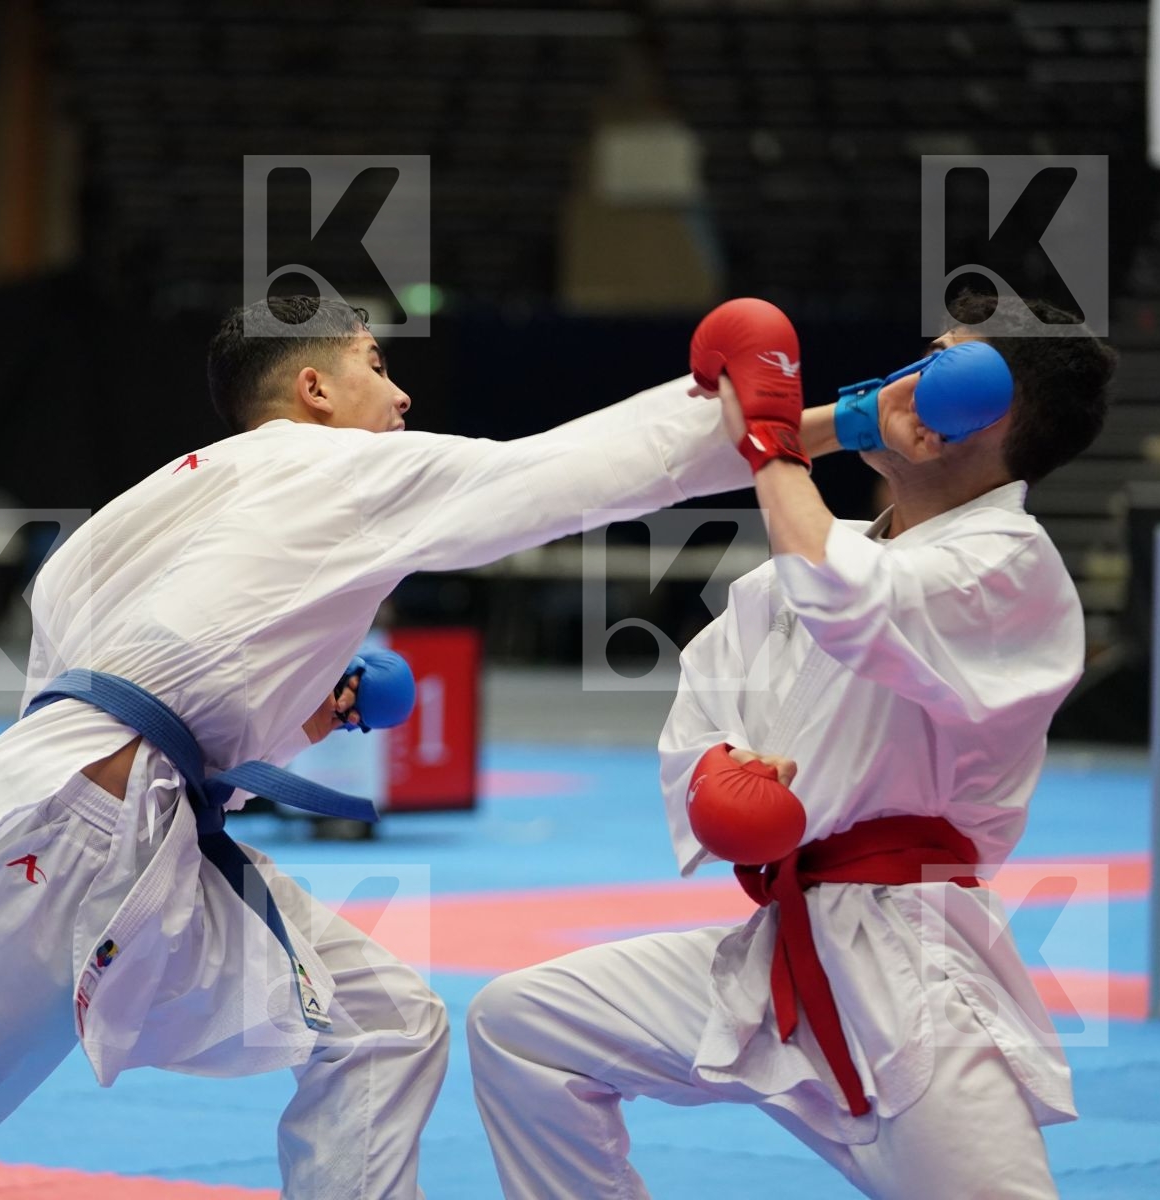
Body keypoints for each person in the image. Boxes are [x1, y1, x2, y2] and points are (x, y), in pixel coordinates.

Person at [0, 295, 755, 1200]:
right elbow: (567, 475)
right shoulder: (345, 471)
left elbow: (126, 677)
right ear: (314, 388)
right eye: (377, 363)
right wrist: (805, 421)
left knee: (386, 1022)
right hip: (77, 852)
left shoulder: (156, 499)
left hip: (100, 821)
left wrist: (300, 708)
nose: (403, 391)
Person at [467, 292, 1117, 1200]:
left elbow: (854, 600)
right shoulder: (799, 569)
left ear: (977, 408)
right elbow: (706, 703)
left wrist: (778, 441)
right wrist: (716, 777)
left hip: (910, 978)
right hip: (779, 955)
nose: (901, 381)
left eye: (932, 366)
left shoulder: (1010, 565)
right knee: (521, 1025)